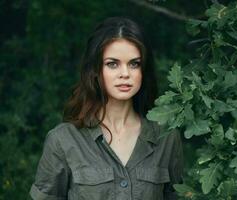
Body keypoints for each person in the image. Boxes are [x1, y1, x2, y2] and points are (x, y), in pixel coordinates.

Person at [29, 16, 184, 200]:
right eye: (112, 64)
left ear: (144, 70)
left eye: (134, 64)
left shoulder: (165, 136)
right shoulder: (63, 140)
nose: (125, 74)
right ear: (95, 70)